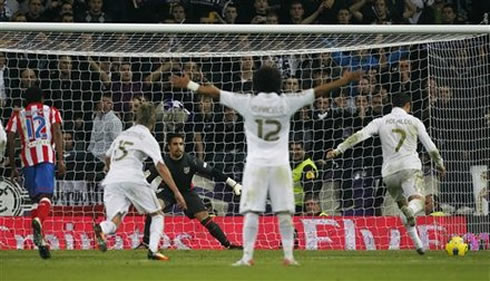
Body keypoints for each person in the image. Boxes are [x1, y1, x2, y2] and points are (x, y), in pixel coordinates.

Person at [171, 65, 361, 266]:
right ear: (278, 84)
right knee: (284, 211)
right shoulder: (287, 101)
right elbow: (317, 91)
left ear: (256, 83)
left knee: (252, 211)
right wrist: (343, 81)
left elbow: (214, 92)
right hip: (280, 165)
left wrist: (189, 84)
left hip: (256, 165)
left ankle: (247, 257)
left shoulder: (248, 102)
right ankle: (288, 256)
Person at [327, 93, 446, 255]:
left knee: (403, 207)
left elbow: (359, 135)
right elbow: (430, 146)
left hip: (389, 173)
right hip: (410, 167)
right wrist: (440, 164)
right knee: (417, 202)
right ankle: (412, 211)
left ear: (392, 105)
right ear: (408, 105)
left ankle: (418, 245)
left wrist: (338, 150)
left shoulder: (381, 121)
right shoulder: (414, 121)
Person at [93, 103, 187, 261]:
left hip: (112, 180)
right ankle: (153, 250)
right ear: (153, 121)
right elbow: (161, 166)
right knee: (157, 215)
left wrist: (111, 170)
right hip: (132, 177)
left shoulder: (122, 135)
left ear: (136, 117)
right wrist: (176, 191)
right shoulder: (147, 137)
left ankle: (101, 228)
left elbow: (108, 157)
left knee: (114, 221)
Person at [138, 132, 242, 250]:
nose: (179, 147)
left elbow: (213, 172)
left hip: (187, 192)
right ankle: (146, 243)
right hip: (167, 192)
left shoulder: (190, 161)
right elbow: (148, 179)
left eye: (181, 144)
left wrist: (233, 184)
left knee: (205, 218)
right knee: (154, 207)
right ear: (169, 146)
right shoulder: (162, 162)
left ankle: (228, 245)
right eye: (175, 144)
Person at [6, 86, 66, 259]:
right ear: (42, 98)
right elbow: (57, 132)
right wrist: (61, 159)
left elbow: (10, 138)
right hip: (45, 155)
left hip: (27, 158)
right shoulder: (51, 111)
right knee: (46, 196)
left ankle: (41, 242)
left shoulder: (18, 115)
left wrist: (12, 165)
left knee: (35, 200)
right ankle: (39, 221)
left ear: (25, 100)